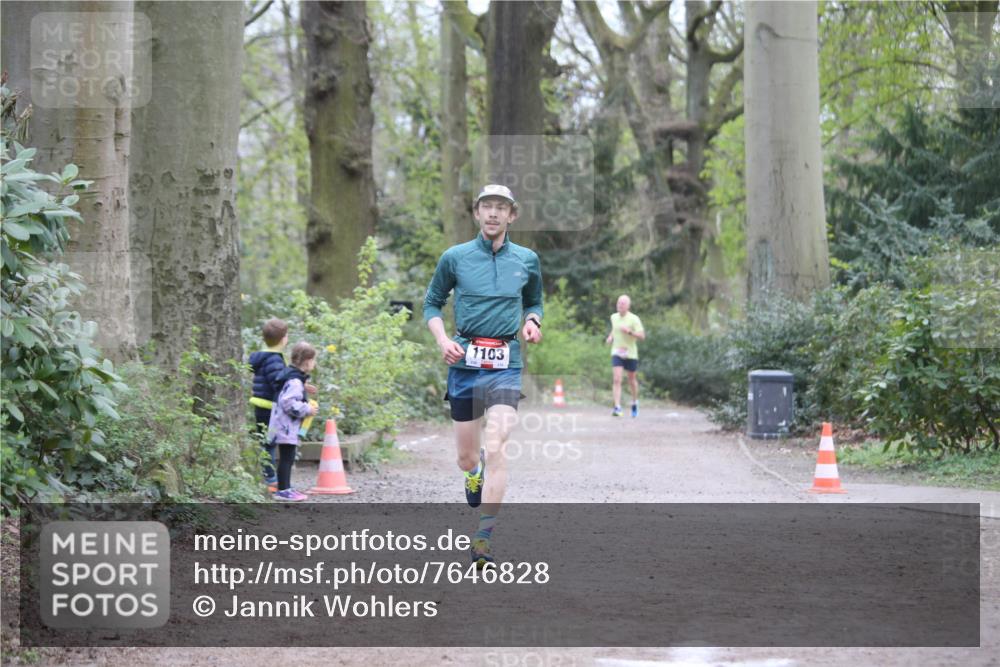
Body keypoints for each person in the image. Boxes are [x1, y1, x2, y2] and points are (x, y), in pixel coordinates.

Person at [423, 184, 543, 567]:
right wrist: (443, 339)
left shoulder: (526, 259)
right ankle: (472, 473)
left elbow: (535, 299)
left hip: (506, 361)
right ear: (477, 213)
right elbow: (431, 304)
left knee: (497, 443)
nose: (493, 213)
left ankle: (483, 539)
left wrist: (533, 321)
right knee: (466, 456)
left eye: (501, 208)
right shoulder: (455, 258)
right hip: (464, 362)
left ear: (512, 215)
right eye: (487, 207)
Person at [267, 341, 320, 502]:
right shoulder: (295, 381)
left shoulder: (291, 376)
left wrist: (304, 388)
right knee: (287, 458)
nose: (314, 363)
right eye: (313, 360)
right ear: (307, 361)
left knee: (286, 457)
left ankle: (285, 487)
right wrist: (307, 409)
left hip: (281, 423)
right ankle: (283, 490)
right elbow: (288, 402)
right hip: (286, 426)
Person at [248, 319, 289, 491]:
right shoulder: (274, 360)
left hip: (261, 406)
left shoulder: (262, 357)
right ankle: (270, 479)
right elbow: (277, 383)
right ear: (283, 339)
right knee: (269, 443)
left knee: (266, 442)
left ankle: (268, 476)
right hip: (269, 408)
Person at [605, 294, 645, 417]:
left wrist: (629, 332)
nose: (620, 305)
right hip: (617, 351)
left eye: (622, 303)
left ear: (628, 306)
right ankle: (617, 407)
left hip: (630, 353)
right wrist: (611, 336)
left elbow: (642, 336)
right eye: (618, 303)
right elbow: (614, 329)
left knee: (631, 379)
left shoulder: (634, 319)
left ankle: (634, 402)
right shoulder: (613, 317)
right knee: (617, 379)